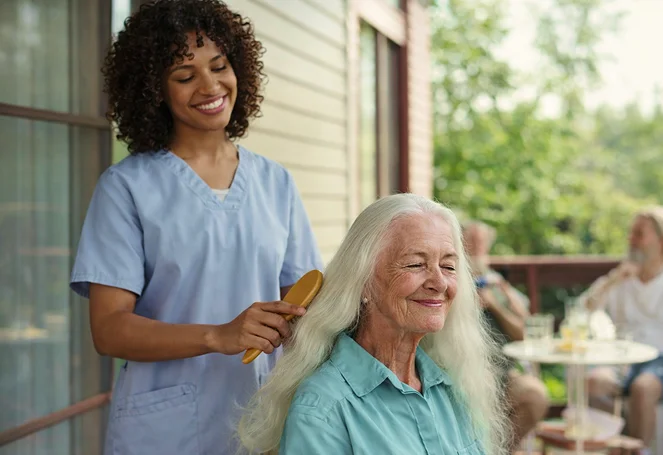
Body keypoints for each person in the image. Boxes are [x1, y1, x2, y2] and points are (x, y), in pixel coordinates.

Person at [69, 1, 322, 454]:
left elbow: (303, 304)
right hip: (164, 429)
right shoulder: (126, 187)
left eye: (219, 67)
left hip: (262, 416)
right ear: (154, 91)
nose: (209, 86)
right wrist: (218, 335)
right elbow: (109, 329)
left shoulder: (275, 182)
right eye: (185, 76)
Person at [237, 194, 509, 455]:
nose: (439, 283)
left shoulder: (454, 383)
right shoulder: (323, 408)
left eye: (448, 267)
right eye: (415, 264)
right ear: (363, 281)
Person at [462, 221, 550, 450]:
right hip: (462, 371)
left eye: (480, 243)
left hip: (501, 373)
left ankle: (499, 451)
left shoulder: (497, 285)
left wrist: (495, 305)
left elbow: (525, 332)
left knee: (535, 395)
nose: (474, 248)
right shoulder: (452, 281)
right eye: (469, 241)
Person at [584, 207, 663, 450]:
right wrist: (613, 279)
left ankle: (639, 450)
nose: (632, 239)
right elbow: (587, 306)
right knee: (594, 382)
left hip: (658, 359)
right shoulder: (621, 277)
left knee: (643, 388)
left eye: (639, 233)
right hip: (622, 357)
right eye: (631, 233)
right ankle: (620, 444)